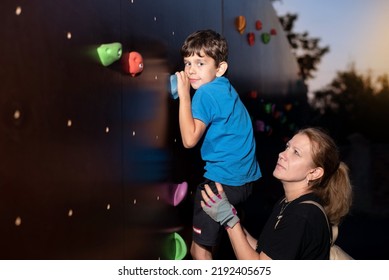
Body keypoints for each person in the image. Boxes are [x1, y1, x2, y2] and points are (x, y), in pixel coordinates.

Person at [201, 127, 353, 259]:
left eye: (296, 153)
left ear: (314, 173)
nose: (282, 154)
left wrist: (229, 220)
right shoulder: (287, 202)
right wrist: (232, 217)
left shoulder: (302, 214)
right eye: (287, 147)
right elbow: (264, 252)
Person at [175, 29, 262, 260]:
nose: (191, 70)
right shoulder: (225, 88)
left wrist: (184, 96)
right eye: (188, 63)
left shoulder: (205, 94)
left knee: (200, 253)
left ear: (220, 68)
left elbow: (189, 139)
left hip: (221, 183)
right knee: (201, 245)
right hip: (245, 183)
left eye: (200, 63)